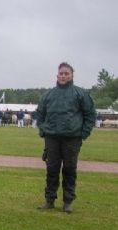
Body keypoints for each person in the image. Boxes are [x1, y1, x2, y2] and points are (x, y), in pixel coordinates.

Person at [36, 62, 96, 213]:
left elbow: (90, 115)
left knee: (69, 169)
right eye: (61, 73)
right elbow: (40, 114)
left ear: (72, 75)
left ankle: (68, 201)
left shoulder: (80, 94)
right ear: (57, 75)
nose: (63, 76)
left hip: (72, 139)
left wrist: (83, 133)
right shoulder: (48, 95)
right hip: (52, 139)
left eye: (66, 73)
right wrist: (43, 130)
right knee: (52, 169)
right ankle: (49, 200)